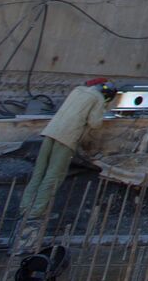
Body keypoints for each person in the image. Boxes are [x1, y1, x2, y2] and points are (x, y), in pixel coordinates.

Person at [18, 79, 117, 223]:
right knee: (54, 175)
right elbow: (95, 123)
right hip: (67, 137)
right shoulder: (98, 98)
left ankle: (25, 209)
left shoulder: (77, 90)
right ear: (107, 94)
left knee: (39, 172)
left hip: (50, 132)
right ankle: (36, 213)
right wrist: (103, 108)